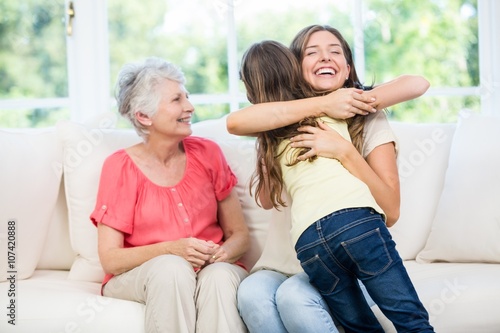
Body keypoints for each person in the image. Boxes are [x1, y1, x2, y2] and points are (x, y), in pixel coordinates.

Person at [232, 32, 433, 333]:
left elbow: (418, 83)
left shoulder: (360, 111)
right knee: (251, 293)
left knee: (294, 297)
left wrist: (344, 151)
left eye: (335, 51)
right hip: (299, 253)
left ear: (348, 69)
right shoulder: (277, 120)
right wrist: (315, 106)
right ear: (293, 68)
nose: (326, 57)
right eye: (312, 52)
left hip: (330, 247)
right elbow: (237, 126)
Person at [90, 57, 250, 333]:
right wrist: (171, 250)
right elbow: (111, 259)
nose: (190, 107)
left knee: (221, 276)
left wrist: (220, 254)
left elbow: (240, 235)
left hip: (212, 268)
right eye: (176, 100)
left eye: (187, 96)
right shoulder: (120, 167)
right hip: (144, 275)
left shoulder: (208, 153)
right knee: (172, 269)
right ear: (144, 116)